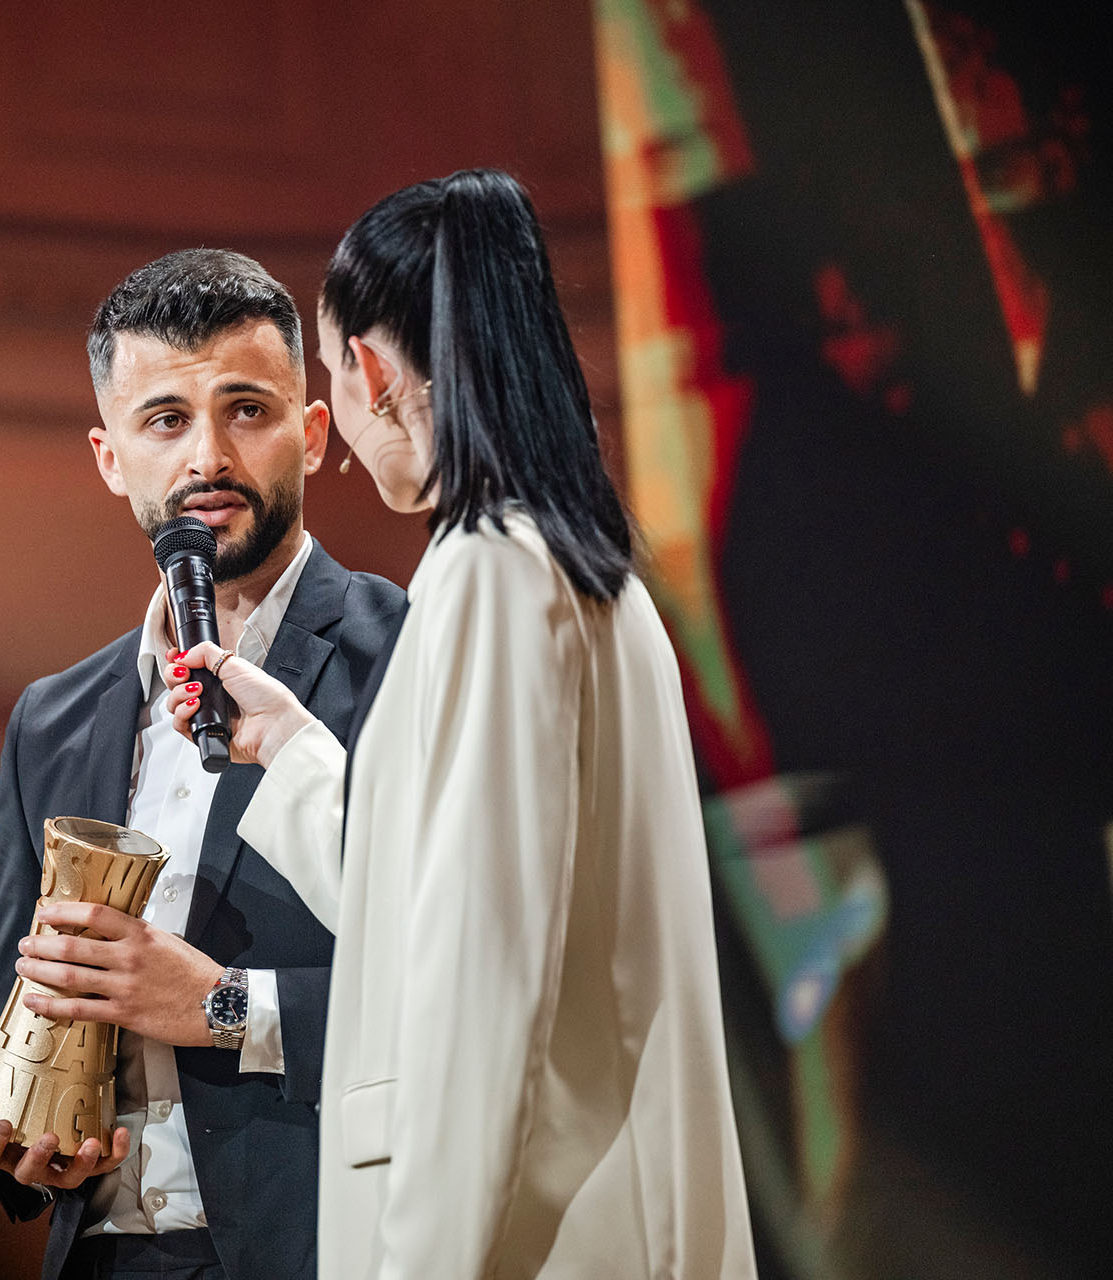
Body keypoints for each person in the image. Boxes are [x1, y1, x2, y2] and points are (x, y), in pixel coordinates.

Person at [167, 171, 758, 1277]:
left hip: (525, 1235)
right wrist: (292, 747)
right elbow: (437, 889)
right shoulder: (593, 576)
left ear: (377, 376)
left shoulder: (488, 572)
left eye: (336, 378)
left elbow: (479, 974)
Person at [0, 248, 406, 1280]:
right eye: (166, 420)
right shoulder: (50, 720)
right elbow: (13, 1008)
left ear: (314, 433)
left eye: (247, 409)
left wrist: (221, 1003)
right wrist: (29, 1140)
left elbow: (470, 990)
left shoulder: (411, 659)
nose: (208, 455)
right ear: (110, 457)